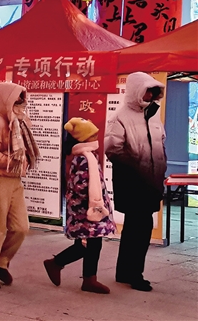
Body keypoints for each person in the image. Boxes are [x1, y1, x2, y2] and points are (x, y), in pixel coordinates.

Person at [105, 72, 166, 292]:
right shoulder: (120, 116)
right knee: (139, 229)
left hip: (150, 181)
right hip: (132, 183)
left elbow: (160, 143)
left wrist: (160, 169)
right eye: (148, 90)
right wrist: (139, 167)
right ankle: (134, 274)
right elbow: (112, 149)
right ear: (136, 91)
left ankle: (125, 272)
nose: (151, 95)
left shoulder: (153, 114)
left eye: (153, 91)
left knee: (136, 228)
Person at [0, 82, 40, 290]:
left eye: (23, 97)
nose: (22, 102)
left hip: (14, 179)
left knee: (21, 227)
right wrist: (12, 161)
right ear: (5, 100)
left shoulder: (17, 121)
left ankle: (1, 262)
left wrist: (20, 162)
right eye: (17, 98)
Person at [44, 118, 115, 294]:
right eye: (93, 135)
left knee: (90, 243)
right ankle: (59, 264)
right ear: (83, 138)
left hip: (86, 207)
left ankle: (87, 278)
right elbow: (81, 185)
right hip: (84, 209)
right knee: (88, 244)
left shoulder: (87, 155)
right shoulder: (84, 158)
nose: (96, 137)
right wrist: (93, 202)